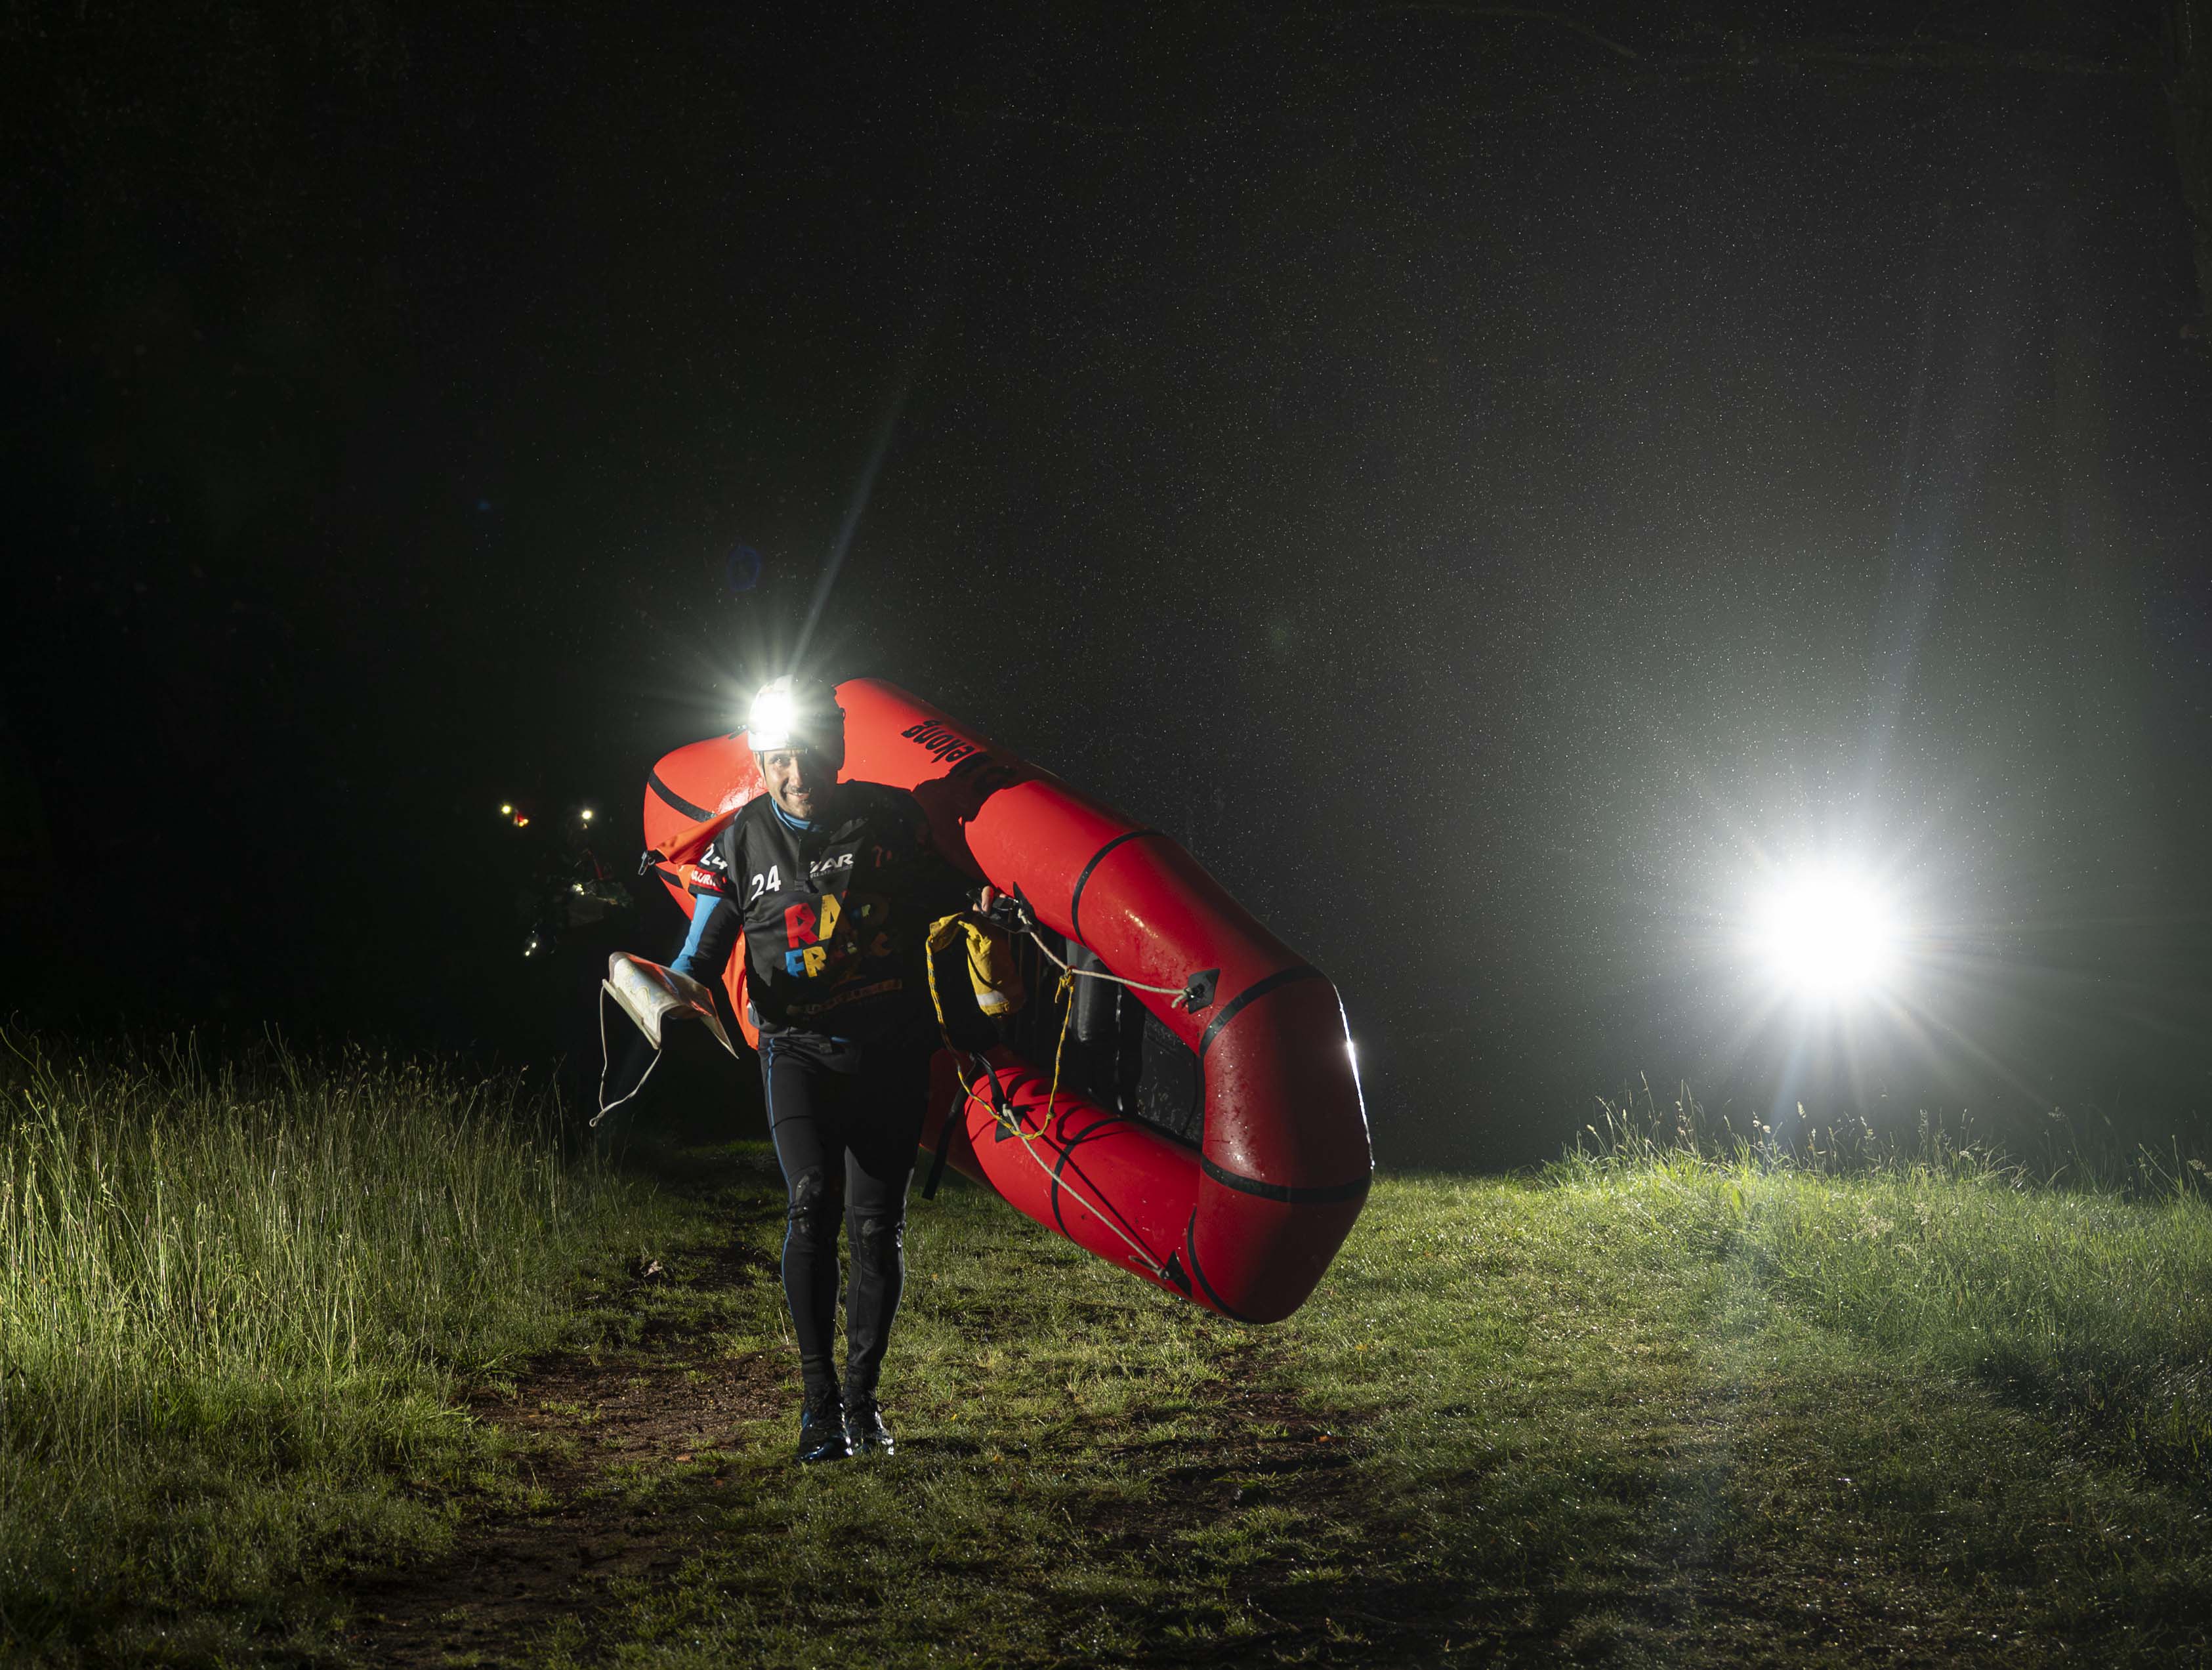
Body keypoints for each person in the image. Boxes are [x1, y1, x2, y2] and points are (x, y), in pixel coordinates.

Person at [668, 675, 993, 1463]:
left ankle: (863, 1402)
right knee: (812, 1201)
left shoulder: (892, 819)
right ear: (762, 761)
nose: (795, 775)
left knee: (878, 1231)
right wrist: (660, 989)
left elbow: (963, 891)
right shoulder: (739, 839)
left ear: (837, 749)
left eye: (807, 755)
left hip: (888, 1050)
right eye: (778, 760)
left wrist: (992, 910)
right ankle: (818, 1408)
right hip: (798, 1052)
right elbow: (699, 958)